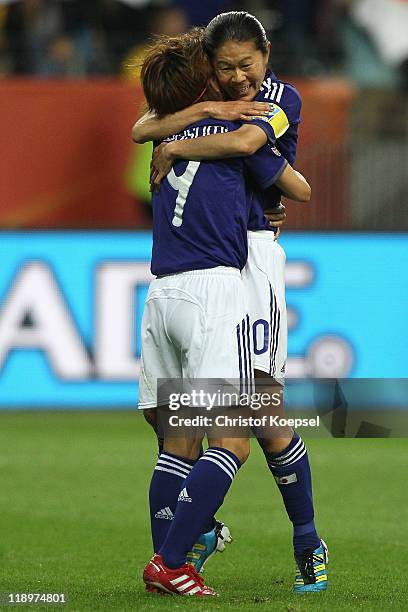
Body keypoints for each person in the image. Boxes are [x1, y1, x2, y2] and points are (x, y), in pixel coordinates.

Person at [134, 12, 328, 593]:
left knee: (261, 416)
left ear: (267, 56)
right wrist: (184, 124)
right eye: (226, 67)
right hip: (215, 259)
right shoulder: (211, 98)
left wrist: (178, 140)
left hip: (255, 261)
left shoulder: (278, 97)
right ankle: (182, 546)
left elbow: (262, 154)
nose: (238, 76)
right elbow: (143, 124)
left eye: (247, 64)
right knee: (176, 422)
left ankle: (307, 538)